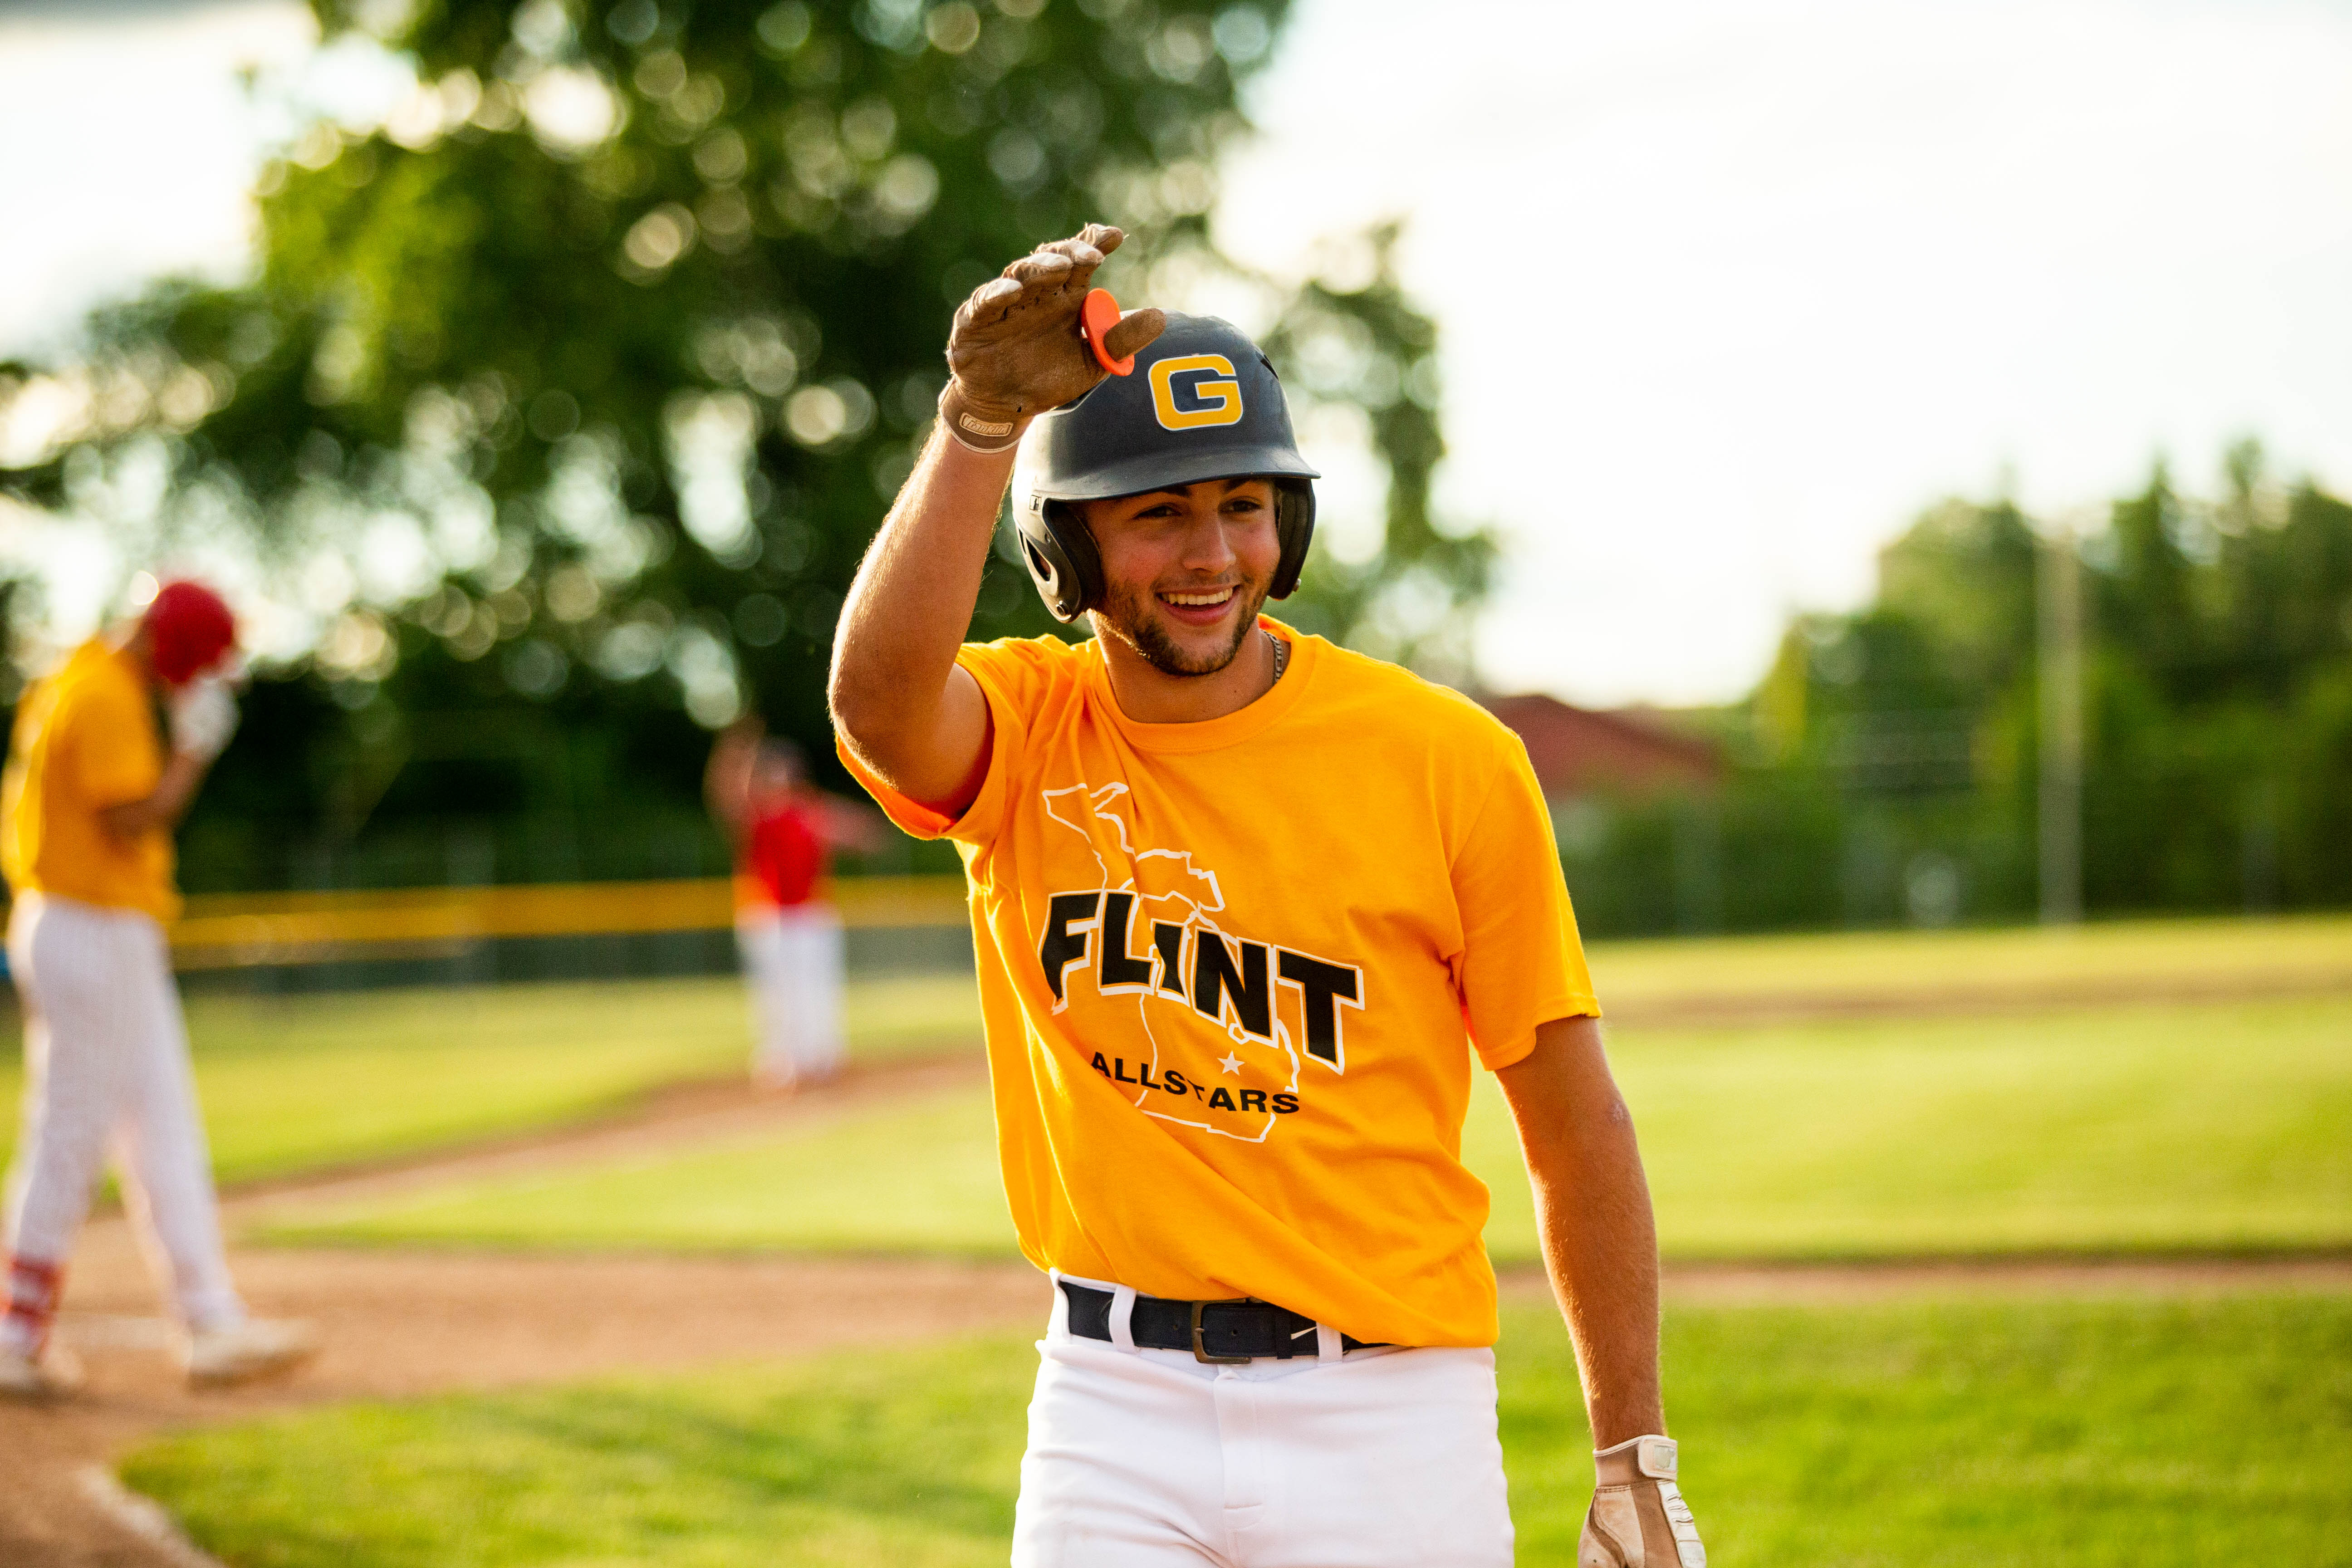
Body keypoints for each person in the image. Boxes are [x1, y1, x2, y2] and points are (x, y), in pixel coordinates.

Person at [828, 225, 1707, 1567]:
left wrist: (1632, 1456)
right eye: (1159, 510)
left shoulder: (1448, 759)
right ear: (1068, 546)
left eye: (1243, 503)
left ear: (1287, 524)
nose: (1211, 552)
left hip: (1390, 1405)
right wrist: (980, 420)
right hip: (1112, 1400)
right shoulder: (1030, 731)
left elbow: (1576, 1127)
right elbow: (880, 706)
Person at [0, 580, 318, 1400]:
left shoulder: (80, 673)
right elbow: (134, 816)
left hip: (96, 928)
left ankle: (209, 1320)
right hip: (92, 926)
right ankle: (12, 1331)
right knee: (71, 1129)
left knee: (163, 1128)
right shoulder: (105, 696)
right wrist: (194, 750)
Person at [705, 717, 881, 1089]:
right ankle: (783, 1062)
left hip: (812, 914)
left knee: (819, 989)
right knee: (776, 993)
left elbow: (857, 829)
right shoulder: (758, 814)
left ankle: (822, 1058)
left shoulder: (810, 810)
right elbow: (724, 795)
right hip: (769, 916)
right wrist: (737, 751)